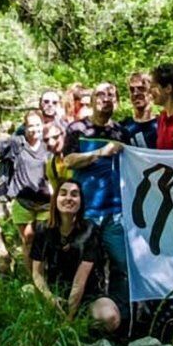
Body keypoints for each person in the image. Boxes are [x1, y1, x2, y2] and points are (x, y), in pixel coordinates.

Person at [63, 82, 131, 329]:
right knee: (84, 269)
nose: (106, 99)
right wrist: (100, 153)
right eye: (100, 94)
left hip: (116, 212)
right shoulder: (78, 128)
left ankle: (120, 320)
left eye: (111, 94)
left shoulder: (123, 132)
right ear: (91, 100)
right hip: (87, 212)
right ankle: (81, 320)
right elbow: (68, 160)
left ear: (117, 101)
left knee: (122, 265)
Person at [31, 180, 122, 332]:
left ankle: (81, 327)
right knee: (25, 296)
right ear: (55, 200)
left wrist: (69, 320)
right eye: (63, 193)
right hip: (56, 295)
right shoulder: (43, 230)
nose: (69, 198)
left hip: (88, 295)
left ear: (81, 201)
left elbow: (80, 282)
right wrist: (49, 298)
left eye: (75, 194)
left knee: (110, 317)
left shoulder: (90, 230)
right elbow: (36, 273)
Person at [0, 110, 51, 268]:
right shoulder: (17, 143)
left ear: (42, 125)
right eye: (30, 125)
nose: (34, 129)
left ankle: (48, 279)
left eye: (37, 125)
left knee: (46, 241)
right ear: (25, 126)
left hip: (47, 203)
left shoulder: (49, 144)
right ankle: (34, 281)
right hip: (23, 202)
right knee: (28, 241)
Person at [119, 72, 158, 148]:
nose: (135, 93)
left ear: (151, 93)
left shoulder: (162, 125)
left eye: (141, 89)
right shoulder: (123, 127)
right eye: (132, 90)